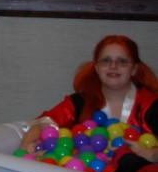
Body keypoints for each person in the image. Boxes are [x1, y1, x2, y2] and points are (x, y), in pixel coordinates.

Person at [18, 35, 158, 155]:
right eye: (106, 60)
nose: (113, 66)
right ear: (96, 67)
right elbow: (43, 125)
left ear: (134, 69)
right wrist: (26, 146)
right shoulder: (79, 101)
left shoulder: (151, 105)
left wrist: (151, 155)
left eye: (122, 61)